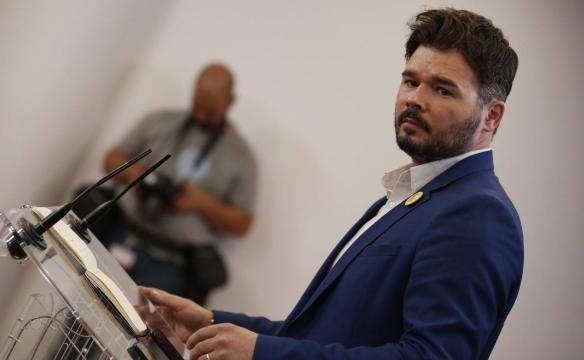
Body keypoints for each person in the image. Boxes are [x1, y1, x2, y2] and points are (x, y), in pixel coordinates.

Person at [136, 8, 524, 360]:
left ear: (491, 116)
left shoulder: (479, 216)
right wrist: (208, 323)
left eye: (442, 89)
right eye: (410, 81)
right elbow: (320, 335)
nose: (415, 99)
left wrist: (262, 353)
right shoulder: (406, 196)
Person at [102, 63, 257, 305]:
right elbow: (111, 159)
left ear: (231, 102)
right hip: (119, 234)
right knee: (77, 320)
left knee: (132, 337)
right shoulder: (159, 121)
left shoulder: (242, 157)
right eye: (197, 106)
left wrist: (200, 203)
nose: (200, 116)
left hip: (168, 264)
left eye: (211, 112)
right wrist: (137, 176)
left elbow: (243, 224)